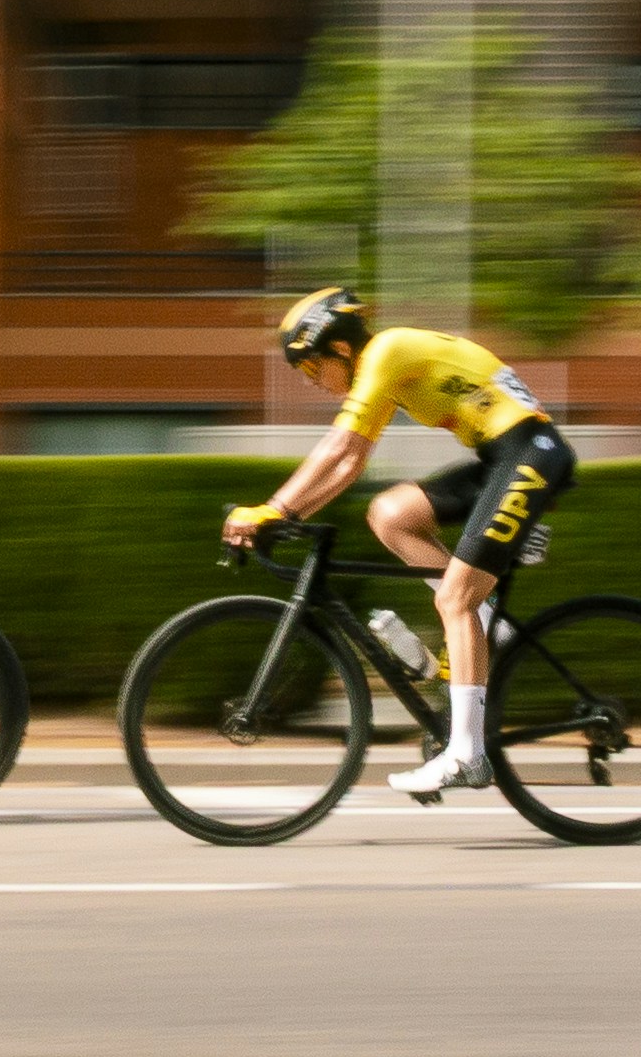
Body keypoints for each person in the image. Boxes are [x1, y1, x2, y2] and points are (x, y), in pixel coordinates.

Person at [228, 284, 575, 802]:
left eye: (312, 368)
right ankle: (482, 618)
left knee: (454, 597)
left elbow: (340, 446)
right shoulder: (382, 368)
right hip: (503, 458)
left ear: (340, 350)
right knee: (390, 514)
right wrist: (290, 514)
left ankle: (466, 754)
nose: (316, 383)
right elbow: (350, 464)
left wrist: (274, 509)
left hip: (531, 454)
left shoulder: (386, 351)